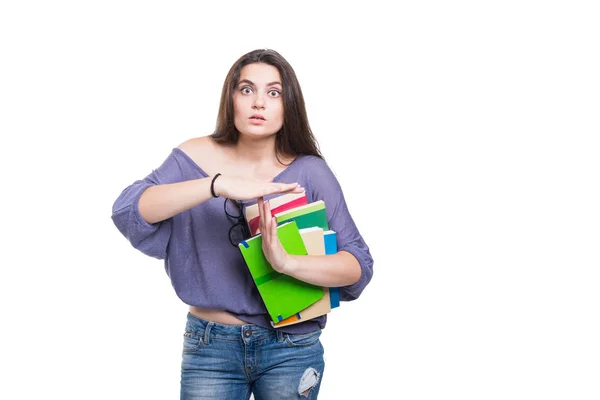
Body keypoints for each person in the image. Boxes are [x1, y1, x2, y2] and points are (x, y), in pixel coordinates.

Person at [111, 48, 374, 399]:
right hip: (210, 345)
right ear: (231, 98)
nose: (259, 103)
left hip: (290, 348)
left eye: (274, 92)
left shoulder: (310, 172)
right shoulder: (194, 157)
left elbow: (358, 265)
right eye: (247, 89)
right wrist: (215, 185)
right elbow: (130, 209)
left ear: (288, 104)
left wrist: (287, 263)